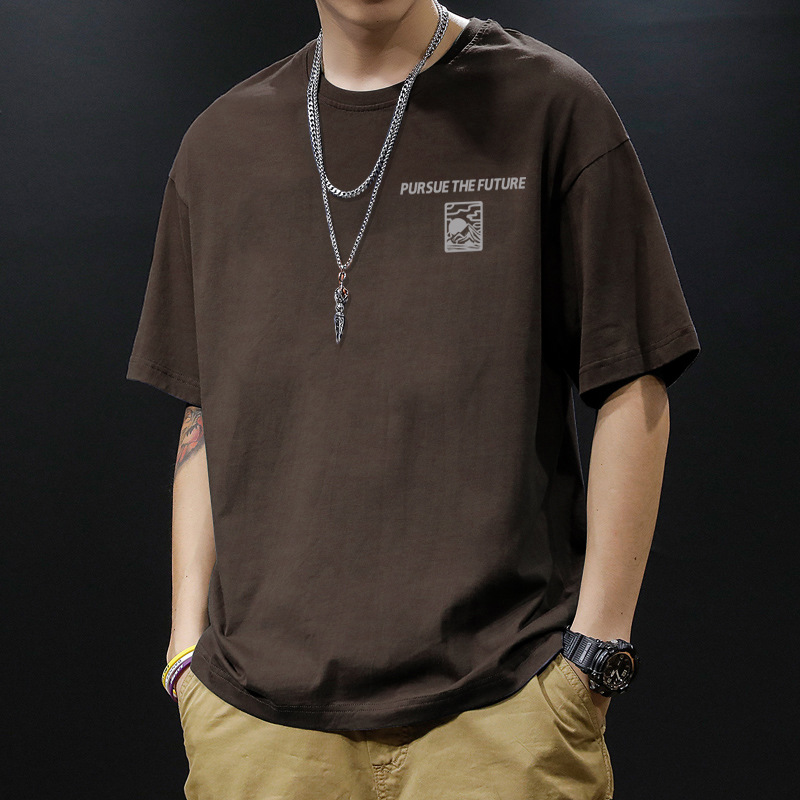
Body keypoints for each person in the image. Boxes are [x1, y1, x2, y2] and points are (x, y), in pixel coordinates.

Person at [126, 2, 701, 798]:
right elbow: (206, 413)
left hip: (503, 717)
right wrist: (184, 650)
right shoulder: (220, 146)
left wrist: (595, 655)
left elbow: (633, 373)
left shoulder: (550, 105)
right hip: (259, 732)